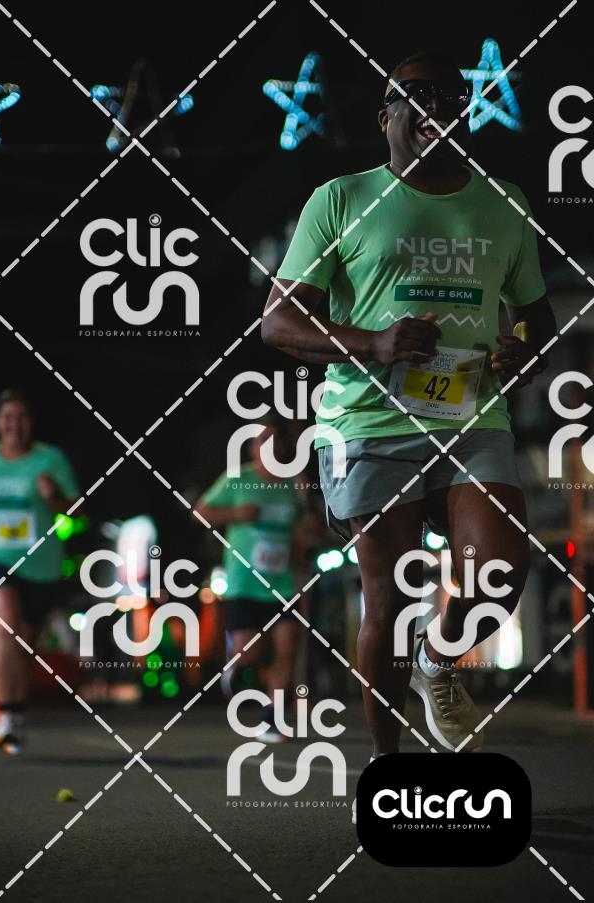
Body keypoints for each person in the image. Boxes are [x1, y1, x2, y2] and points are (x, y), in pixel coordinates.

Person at [261, 51, 556, 765]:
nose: (435, 107)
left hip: (471, 415)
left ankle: (437, 661)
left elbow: (537, 322)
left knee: (500, 568)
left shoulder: (504, 200)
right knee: (390, 598)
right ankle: (387, 765)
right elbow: (278, 321)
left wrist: (523, 352)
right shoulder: (341, 198)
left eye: (450, 95)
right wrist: (375, 342)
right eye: (415, 94)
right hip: (369, 420)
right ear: (384, 115)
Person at [195, 420, 305, 742]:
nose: (271, 446)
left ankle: (272, 721)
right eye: (262, 440)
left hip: (283, 582)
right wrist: (235, 514)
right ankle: (236, 667)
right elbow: (200, 512)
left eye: (276, 440)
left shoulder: (293, 483)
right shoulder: (238, 478)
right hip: (244, 581)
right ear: (252, 448)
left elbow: (304, 527)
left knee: (287, 650)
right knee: (251, 653)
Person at [0, 389, 80, 755]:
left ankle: (16, 714)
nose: (14, 424)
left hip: (41, 565)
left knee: (24, 646)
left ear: (30, 423)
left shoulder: (50, 459)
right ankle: (5, 714)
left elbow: (74, 509)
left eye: (21, 417)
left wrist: (53, 495)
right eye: (7, 417)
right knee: (6, 627)